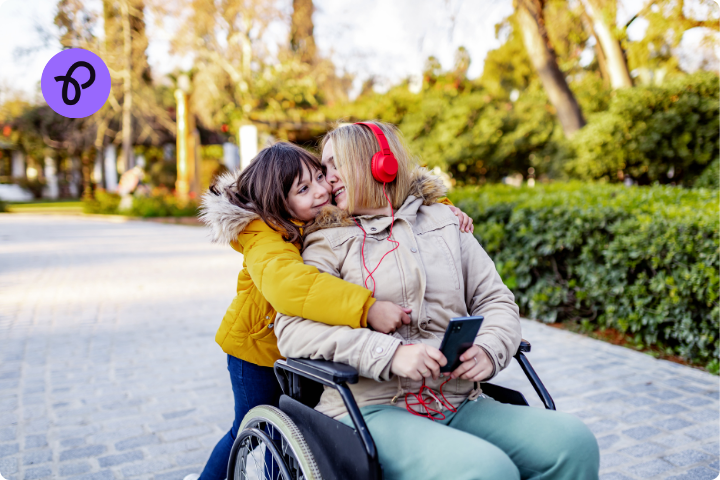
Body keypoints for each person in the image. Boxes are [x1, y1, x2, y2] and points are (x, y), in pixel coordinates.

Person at [275, 122, 600, 480]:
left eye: (337, 165)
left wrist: (491, 348)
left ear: (380, 164)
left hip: (457, 399)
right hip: (371, 407)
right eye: (323, 169)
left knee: (573, 441)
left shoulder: (446, 222)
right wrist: (391, 354)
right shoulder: (326, 241)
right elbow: (292, 330)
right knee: (487, 470)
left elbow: (496, 300)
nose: (327, 179)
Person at [188, 141, 474, 480]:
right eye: (304, 188)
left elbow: (382, 189)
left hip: (305, 351)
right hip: (257, 352)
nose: (323, 190)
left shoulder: (316, 214)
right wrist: (366, 308)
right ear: (277, 200)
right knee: (250, 425)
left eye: (320, 177)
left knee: (298, 430)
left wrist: (438, 204)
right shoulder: (261, 233)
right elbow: (291, 286)